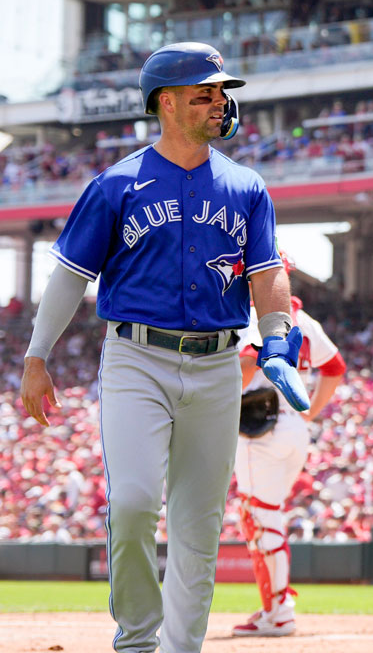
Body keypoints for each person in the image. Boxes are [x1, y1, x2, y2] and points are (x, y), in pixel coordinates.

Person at [18, 42, 310, 653]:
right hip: (136, 358)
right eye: (205, 93)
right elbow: (71, 274)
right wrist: (37, 356)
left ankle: (182, 649)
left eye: (220, 93)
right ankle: (137, 641)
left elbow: (267, 270)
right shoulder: (116, 184)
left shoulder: (247, 186)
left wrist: (278, 336)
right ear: (166, 103)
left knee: (198, 527)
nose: (219, 103)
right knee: (130, 504)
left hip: (217, 363)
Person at [231, 279, 346, 637]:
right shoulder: (304, 319)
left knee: (260, 519)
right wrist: (310, 412)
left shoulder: (254, 313)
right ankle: (273, 607)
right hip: (294, 426)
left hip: (260, 428)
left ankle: (279, 610)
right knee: (267, 517)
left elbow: (248, 362)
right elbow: (335, 367)